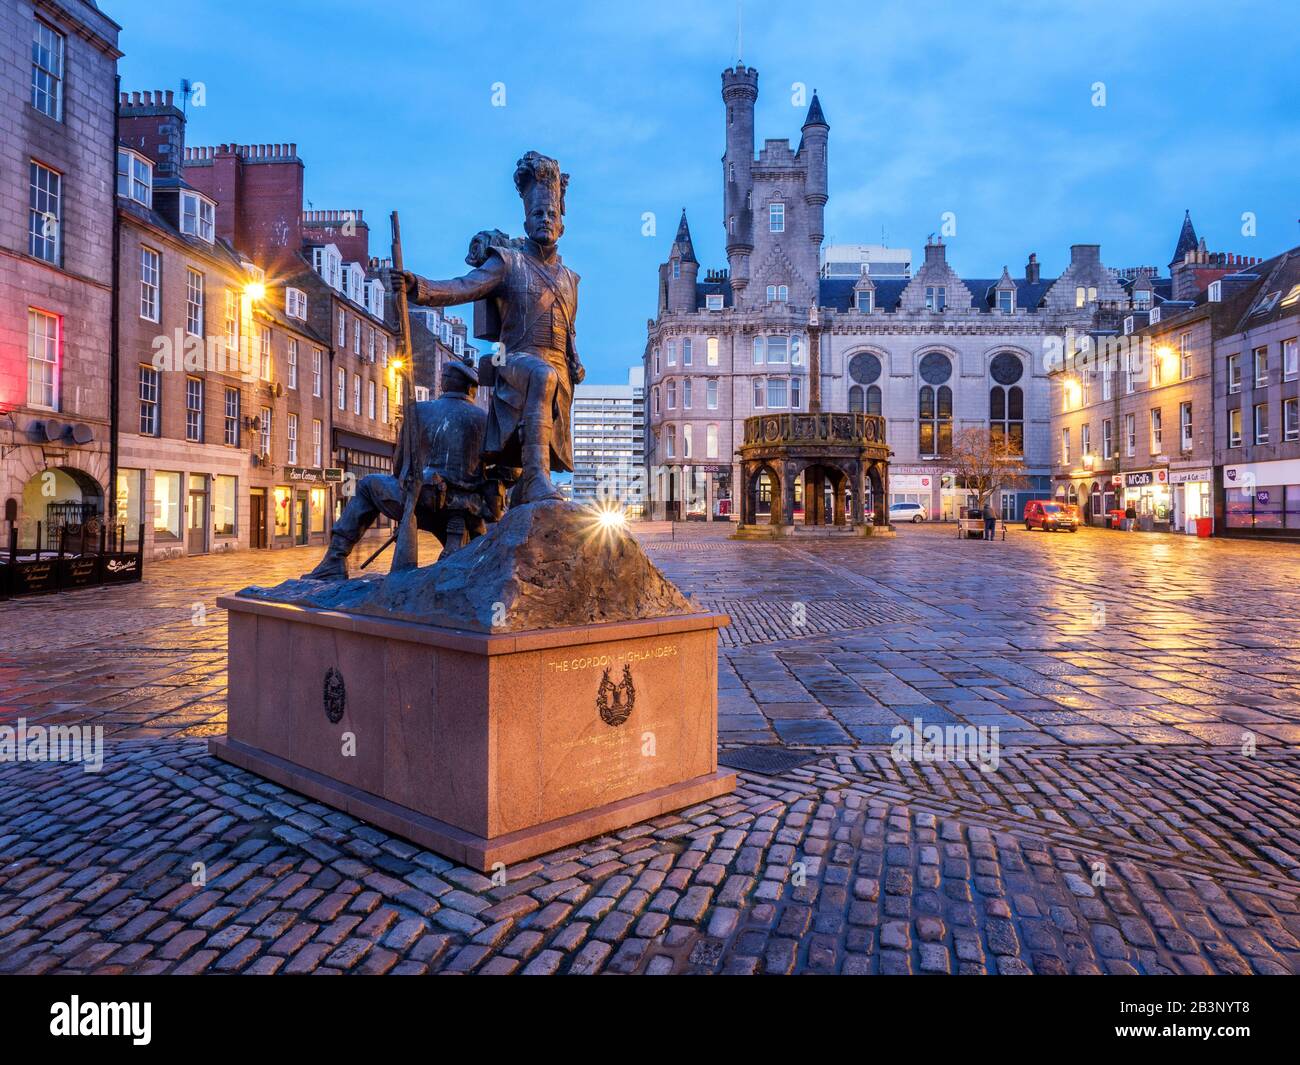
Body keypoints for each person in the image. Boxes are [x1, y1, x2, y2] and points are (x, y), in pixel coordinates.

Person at [387, 151, 584, 506]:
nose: (544, 220)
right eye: (537, 214)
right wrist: (420, 287)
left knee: (550, 376)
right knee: (542, 376)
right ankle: (537, 477)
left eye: (551, 214)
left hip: (556, 367)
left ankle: (528, 482)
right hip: (516, 359)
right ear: (526, 223)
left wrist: (575, 359)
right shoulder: (508, 262)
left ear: (561, 225)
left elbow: (568, 330)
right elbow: (464, 285)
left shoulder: (571, 279)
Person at [301, 361, 502, 580]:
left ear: (444, 383)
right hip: (466, 509)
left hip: (423, 500)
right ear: (470, 388)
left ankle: (335, 559)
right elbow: (503, 472)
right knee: (468, 552)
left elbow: (399, 468)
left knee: (368, 484)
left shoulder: (420, 411)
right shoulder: (485, 420)